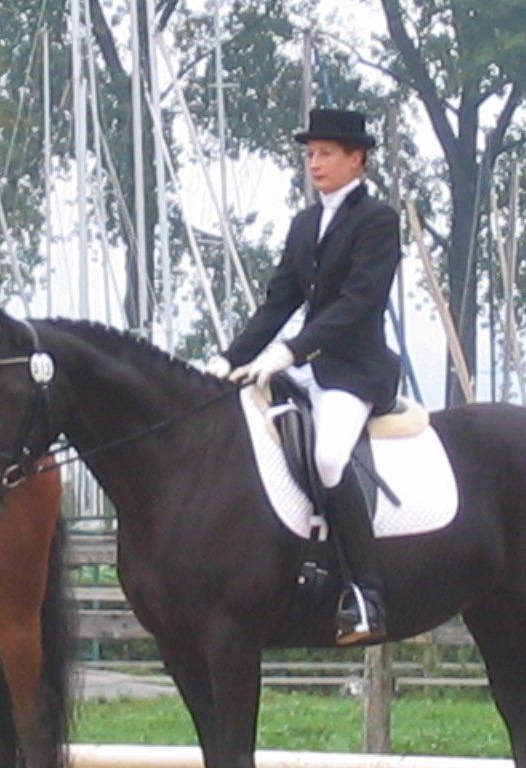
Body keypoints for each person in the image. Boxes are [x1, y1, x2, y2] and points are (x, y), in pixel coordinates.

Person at [206, 108, 400, 645]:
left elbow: (359, 303)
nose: (314, 163)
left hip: (355, 372)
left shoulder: (377, 221)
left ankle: (367, 594)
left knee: (330, 455)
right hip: (310, 369)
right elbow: (278, 302)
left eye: (326, 153)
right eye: (310, 153)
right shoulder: (304, 224)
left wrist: (290, 351)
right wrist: (229, 357)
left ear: (356, 158)